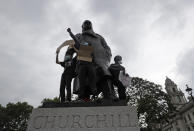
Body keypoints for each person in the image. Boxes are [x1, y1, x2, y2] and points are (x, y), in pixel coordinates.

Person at [67, 28, 97, 100]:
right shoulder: (81, 46)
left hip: (89, 66)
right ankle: (81, 96)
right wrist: (70, 32)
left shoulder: (91, 51)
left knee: (92, 81)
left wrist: (94, 66)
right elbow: (74, 38)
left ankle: (94, 95)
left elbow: (94, 60)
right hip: (82, 66)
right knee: (81, 82)